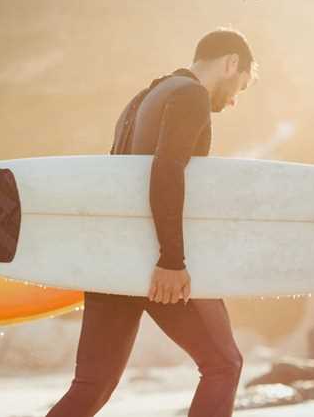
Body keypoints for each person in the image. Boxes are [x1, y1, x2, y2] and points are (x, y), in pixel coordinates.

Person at [46, 28, 257, 417]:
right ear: (230, 64)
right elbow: (166, 171)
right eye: (240, 85)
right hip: (155, 262)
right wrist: (172, 260)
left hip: (113, 260)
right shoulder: (190, 95)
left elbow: (119, 178)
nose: (234, 101)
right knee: (224, 364)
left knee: (92, 387)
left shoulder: (144, 97)